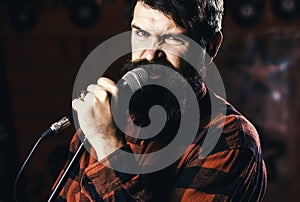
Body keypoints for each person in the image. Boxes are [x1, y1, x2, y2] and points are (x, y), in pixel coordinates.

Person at [52, 0, 267, 201]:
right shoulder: (105, 116)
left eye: (173, 39)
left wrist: (108, 146)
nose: (150, 55)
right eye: (141, 33)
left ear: (210, 46)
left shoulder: (229, 140)